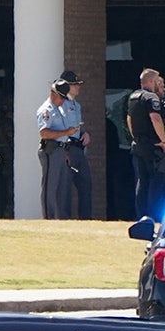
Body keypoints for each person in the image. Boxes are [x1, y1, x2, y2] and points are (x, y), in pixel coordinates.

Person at [126, 68, 165, 220]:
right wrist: (164, 141)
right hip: (153, 147)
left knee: (142, 182)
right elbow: (156, 119)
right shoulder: (151, 97)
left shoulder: (133, 97)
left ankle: (142, 216)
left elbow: (129, 120)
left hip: (139, 146)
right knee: (156, 182)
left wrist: (136, 137)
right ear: (151, 81)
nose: (159, 83)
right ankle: (154, 216)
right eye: (157, 80)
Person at [37, 78, 79, 219]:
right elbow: (44, 133)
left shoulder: (59, 109)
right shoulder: (46, 110)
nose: (63, 101)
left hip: (61, 150)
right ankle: (48, 217)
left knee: (61, 186)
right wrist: (66, 132)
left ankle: (58, 217)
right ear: (53, 94)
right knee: (50, 186)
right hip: (51, 150)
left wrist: (65, 151)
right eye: (61, 97)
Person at [56, 70, 92, 219]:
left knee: (86, 184)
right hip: (67, 148)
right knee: (64, 188)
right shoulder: (59, 104)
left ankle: (86, 218)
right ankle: (63, 219)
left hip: (78, 148)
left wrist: (84, 133)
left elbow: (75, 126)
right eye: (74, 85)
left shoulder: (76, 105)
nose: (78, 87)